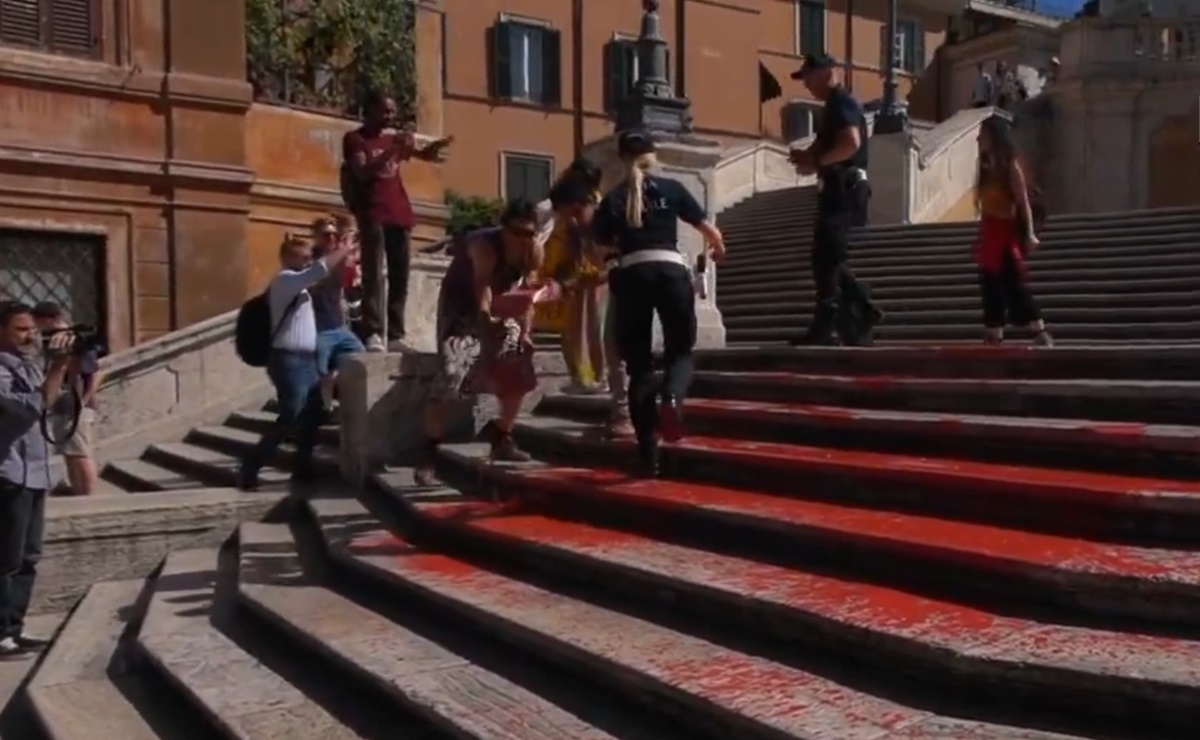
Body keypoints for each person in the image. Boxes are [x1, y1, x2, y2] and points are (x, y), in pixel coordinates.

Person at [591, 129, 725, 478]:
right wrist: (717, 250)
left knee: (638, 369)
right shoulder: (672, 189)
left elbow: (599, 249)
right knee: (681, 351)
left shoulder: (615, 197)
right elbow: (710, 232)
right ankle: (672, 399)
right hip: (671, 271)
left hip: (632, 274)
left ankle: (647, 455)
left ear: (622, 159)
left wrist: (610, 263)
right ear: (654, 155)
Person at [413, 200, 548, 485]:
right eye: (516, 232)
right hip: (461, 306)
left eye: (529, 234)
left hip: (502, 305)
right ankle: (429, 452)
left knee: (519, 370)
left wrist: (524, 333)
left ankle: (502, 436)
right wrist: (486, 322)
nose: (523, 239)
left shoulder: (533, 252)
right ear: (504, 228)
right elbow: (482, 287)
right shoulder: (483, 246)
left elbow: (527, 295)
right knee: (453, 374)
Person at [237, 234, 357, 490]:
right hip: (288, 361)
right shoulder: (285, 281)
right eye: (302, 257)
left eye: (308, 257)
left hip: (307, 360)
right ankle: (251, 464)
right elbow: (320, 269)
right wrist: (342, 250)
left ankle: (302, 468)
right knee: (292, 415)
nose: (307, 261)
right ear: (287, 258)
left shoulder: (303, 288)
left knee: (314, 414)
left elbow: (330, 277)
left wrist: (338, 249)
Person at [342, 89, 451, 353]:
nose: (391, 116)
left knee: (400, 276)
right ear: (371, 110)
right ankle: (373, 332)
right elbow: (363, 171)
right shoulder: (355, 139)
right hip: (372, 212)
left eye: (392, 111)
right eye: (385, 110)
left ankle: (396, 334)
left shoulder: (393, 139)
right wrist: (391, 149)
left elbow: (418, 153)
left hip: (399, 212)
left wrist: (431, 150)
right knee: (373, 273)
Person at [788, 53, 882, 346]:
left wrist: (820, 161)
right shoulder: (833, 106)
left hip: (844, 187)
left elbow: (850, 143)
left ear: (826, 72)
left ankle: (830, 325)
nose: (806, 85)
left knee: (826, 257)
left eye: (808, 77)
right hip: (839, 186)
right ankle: (861, 310)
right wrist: (810, 158)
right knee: (828, 257)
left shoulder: (841, 102)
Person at [0, 301, 75, 657]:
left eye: (33, 329)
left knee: (29, 556)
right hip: (9, 473)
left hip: (36, 472)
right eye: (21, 329)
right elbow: (30, 408)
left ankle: (13, 629)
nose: (32, 335)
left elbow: (57, 405)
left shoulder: (32, 367)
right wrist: (58, 365)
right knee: (6, 559)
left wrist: (64, 367)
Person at [973, 115, 1053, 347]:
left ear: (995, 136)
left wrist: (1029, 233)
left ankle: (1038, 330)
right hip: (990, 231)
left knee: (1013, 282)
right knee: (989, 283)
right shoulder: (986, 166)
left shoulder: (1010, 165)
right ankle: (994, 332)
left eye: (984, 134)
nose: (979, 139)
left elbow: (1022, 202)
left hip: (1006, 232)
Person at [534, 159, 608, 394]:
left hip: (592, 274)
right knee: (573, 330)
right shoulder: (560, 207)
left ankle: (599, 376)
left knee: (594, 327)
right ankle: (582, 378)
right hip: (573, 274)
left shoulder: (597, 207)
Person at [30, 302, 102, 496]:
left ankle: (87, 492)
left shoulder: (73, 340)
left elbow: (94, 373)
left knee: (79, 451)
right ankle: (78, 488)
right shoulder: (51, 339)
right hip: (64, 404)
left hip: (74, 403)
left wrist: (84, 400)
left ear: (47, 319)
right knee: (69, 451)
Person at [309, 216, 364, 412]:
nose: (332, 237)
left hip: (339, 325)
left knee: (360, 357)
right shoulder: (311, 261)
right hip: (319, 328)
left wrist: (350, 240)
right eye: (326, 234)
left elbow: (352, 264)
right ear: (316, 237)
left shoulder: (338, 256)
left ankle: (331, 396)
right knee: (318, 373)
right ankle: (322, 409)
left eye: (334, 234)